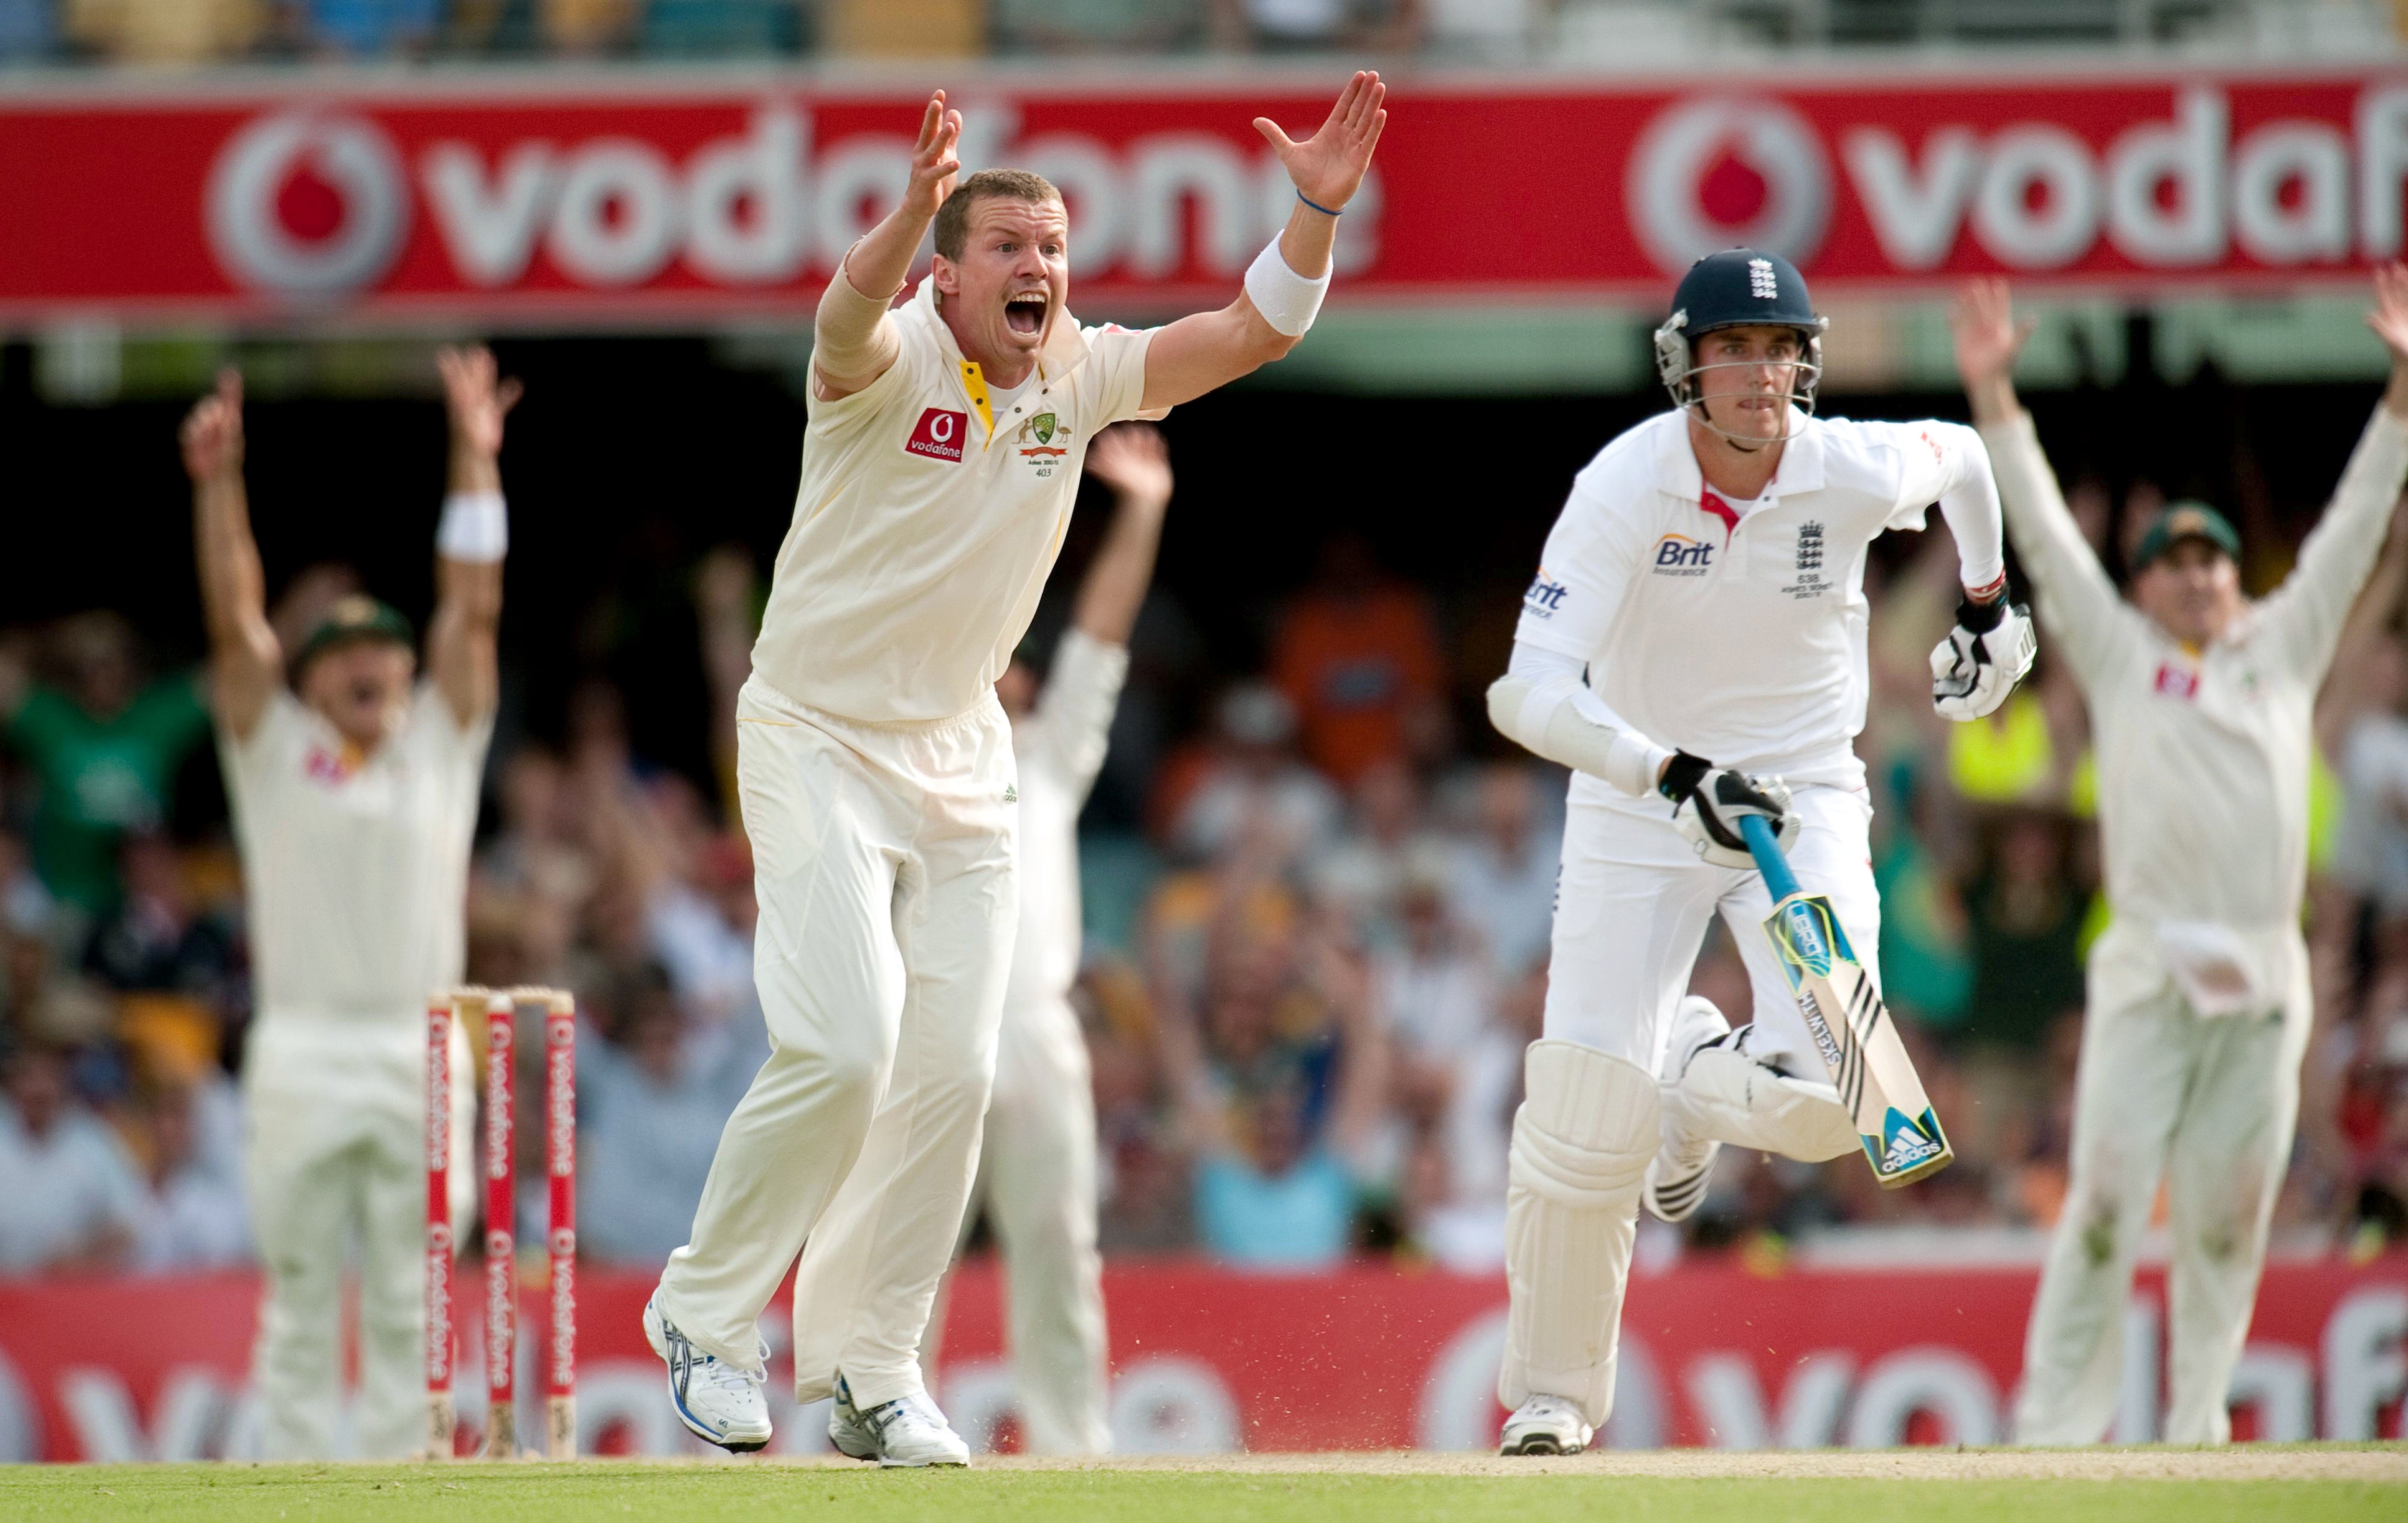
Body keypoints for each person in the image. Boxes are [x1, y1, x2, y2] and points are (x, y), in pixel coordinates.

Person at [641, 75, 1388, 1467]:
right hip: (814, 734)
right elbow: (844, 312)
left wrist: (1314, 212)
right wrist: (909, 211)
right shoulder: (887, 355)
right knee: (848, 1042)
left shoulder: (1083, 374)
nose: (1038, 267)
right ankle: (705, 1313)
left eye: (1052, 247)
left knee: (948, 1077)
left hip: (965, 762)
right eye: (1006, 247)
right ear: (950, 272)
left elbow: (1260, 329)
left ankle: (871, 1365)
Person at [1481, 247, 2034, 1455]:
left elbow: (1966, 457)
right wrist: (1665, 771)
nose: (1758, 374)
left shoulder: (1844, 464)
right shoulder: (1625, 484)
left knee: (1839, 1099)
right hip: (1643, 801)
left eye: (1779, 350)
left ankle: (1687, 1079)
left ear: (1808, 361)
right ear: (1686, 364)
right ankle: (1555, 1400)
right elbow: (1522, 695)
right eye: (1732, 349)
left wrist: (1991, 609)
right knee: (1583, 1111)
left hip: (1804, 799)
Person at [1952, 271, 2408, 1445]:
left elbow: (2356, 531)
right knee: (2103, 1203)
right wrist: (1995, 398)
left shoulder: (2284, 646)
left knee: (2225, 1215)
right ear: (2147, 580)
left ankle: (2198, 1424)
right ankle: (2054, 1433)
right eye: (2176, 561)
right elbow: (2049, 538)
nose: (2200, 575)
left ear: (2229, 572)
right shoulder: (2116, 652)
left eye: (2213, 559)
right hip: (2151, 971)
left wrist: (2404, 391)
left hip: (2259, 978)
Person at [183, 349, 514, 1458]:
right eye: (344, 654)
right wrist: (219, 485)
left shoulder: (439, 746)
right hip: (302, 1050)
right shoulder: (273, 751)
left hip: (422, 1050)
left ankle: (397, 1488)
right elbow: (236, 627)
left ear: (407, 674)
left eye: (385, 650)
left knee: (412, 1306)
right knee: (297, 1298)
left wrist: (475, 460)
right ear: (311, 679)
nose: (369, 665)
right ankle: (291, 1483)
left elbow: (471, 611)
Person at [946, 422, 1174, 1455]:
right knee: (905, 1249)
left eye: (1016, 673)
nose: (1009, 685)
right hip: (935, 1024)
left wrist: (1144, 509)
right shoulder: (924, 752)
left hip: (1034, 1026)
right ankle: (863, 1428)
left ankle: (1071, 1443)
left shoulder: (1048, 758)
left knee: (1056, 1243)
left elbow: (1098, 641)